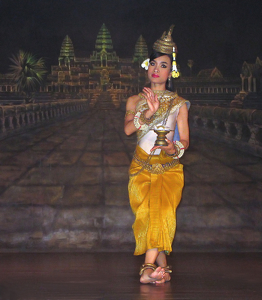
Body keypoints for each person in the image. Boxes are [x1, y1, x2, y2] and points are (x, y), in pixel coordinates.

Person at [124, 25, 190, 284]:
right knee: (148, 217)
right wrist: (148, 114)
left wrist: (175, 148)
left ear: (171, 71)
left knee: (161, 212)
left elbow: (184, 139)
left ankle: (147, 269)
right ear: (146, 66)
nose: (156, 69)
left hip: (169, 168)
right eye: (153, 63)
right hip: (140, 167)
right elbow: (129, 130)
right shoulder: (133, 101)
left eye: (163, 65)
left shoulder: (179, 103)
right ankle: (162, 269)